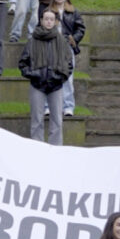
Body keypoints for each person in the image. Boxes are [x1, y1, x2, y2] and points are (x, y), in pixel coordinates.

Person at [24, 8, 76, 145]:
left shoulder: (62, 41)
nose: (48, 22)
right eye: (46, 19)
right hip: (37, 85)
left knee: (57, 120)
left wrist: (60, 77)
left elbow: (69, 63)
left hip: (56, 85)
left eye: (51, 19)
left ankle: (56, 150)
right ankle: (37, 149)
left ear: (56, 22)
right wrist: (35, 74)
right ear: (41, 21)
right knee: (36, 120)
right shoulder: (32, 41)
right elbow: (23, 64)